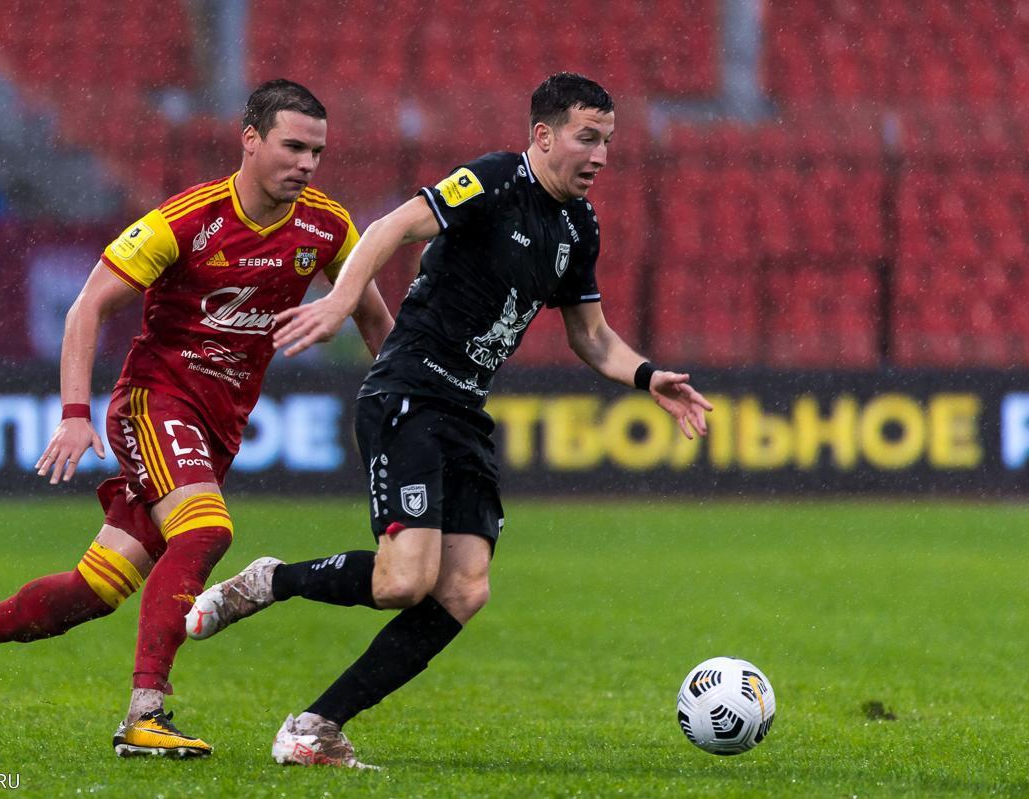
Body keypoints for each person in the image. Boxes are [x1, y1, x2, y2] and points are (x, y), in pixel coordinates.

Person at [187, 73, 713, 769]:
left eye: (608, 142)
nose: (601, 156)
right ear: (544, 136)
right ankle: (269, 581)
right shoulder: (493, 181)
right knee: (403, 582)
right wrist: (341, 301)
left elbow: (591, 335)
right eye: (588, 138)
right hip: (408, 394)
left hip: (465, 413)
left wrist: (648, 376)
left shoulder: (578, 226)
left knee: (464, 588)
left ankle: (316, 727)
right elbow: (391, 227)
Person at [0, 79, 393, 759]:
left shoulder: (327, 226)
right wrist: (74, 414)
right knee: (206, 529)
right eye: (293, 146)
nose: (306, 164)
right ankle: (145, 713)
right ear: (250, 139)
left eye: (317, 152)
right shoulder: (187, 220)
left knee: (93, 589)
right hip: (156, 401)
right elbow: (87, 306)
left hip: (220, 423)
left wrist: (411, 398)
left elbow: (374, 317)